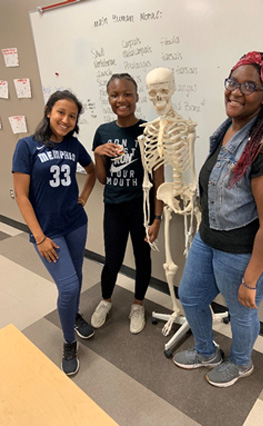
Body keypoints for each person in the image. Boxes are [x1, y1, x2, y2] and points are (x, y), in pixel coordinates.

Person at [173, 51, 263, 387]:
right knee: (191, 296)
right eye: (232, 82)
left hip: (248, 249)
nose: (236, 91)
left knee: (242, 310)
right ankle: (205, 352)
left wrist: (250, 280)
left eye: (249, 86)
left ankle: (242, 363)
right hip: (211, 237)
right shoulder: (230, 129)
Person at [12, 90, 96, 376]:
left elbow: (92, 171)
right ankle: (68, 341)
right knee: (69, 286)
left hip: (75, 223)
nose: (66, 120)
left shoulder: (73, 145)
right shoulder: (26, 146)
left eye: (72, 116)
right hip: (47, 231)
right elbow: (22, 197)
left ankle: (73, 314)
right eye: (61, 112)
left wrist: (83, 199)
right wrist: (39, 237)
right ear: (49, 111)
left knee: (77, 275)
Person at [91, 73, 163, 334]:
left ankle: (137, 305)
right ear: (109, 98)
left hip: (141, 209)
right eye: (115, 95)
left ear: (136, 96)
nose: (121, 100)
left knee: (143, 259)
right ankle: (105, 300)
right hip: (114, 207)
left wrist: (157, 218)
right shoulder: (103, 132)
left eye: (127, 94)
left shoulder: (150, 131)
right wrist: (98, 154)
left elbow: (159, 181)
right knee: (112, 260)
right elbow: (102, 178)